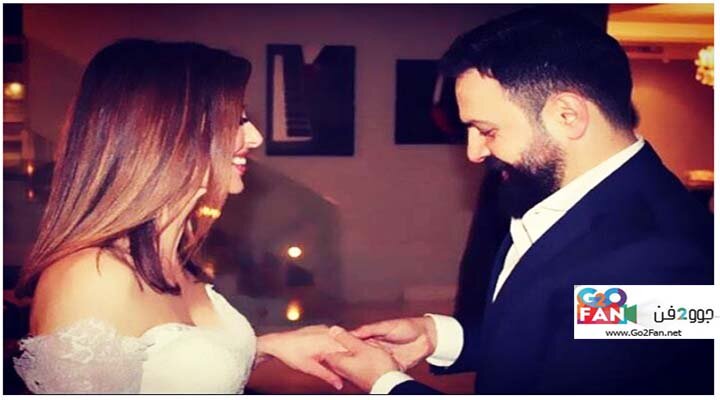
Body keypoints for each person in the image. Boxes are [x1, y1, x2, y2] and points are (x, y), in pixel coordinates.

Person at [323, 9, 714, 395]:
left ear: (567, 115)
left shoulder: (661, 259)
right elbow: (563, 336)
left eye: (487, 130)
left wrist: (386, 385)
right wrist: (437, 336)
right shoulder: (562, 196)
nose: (474, 153)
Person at [12, 39, 347, 394]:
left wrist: (265, 348)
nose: (255, 137)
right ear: (161, 132)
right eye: (237, 119)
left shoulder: (175, 253)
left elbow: (167, 371)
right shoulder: (92, 278)